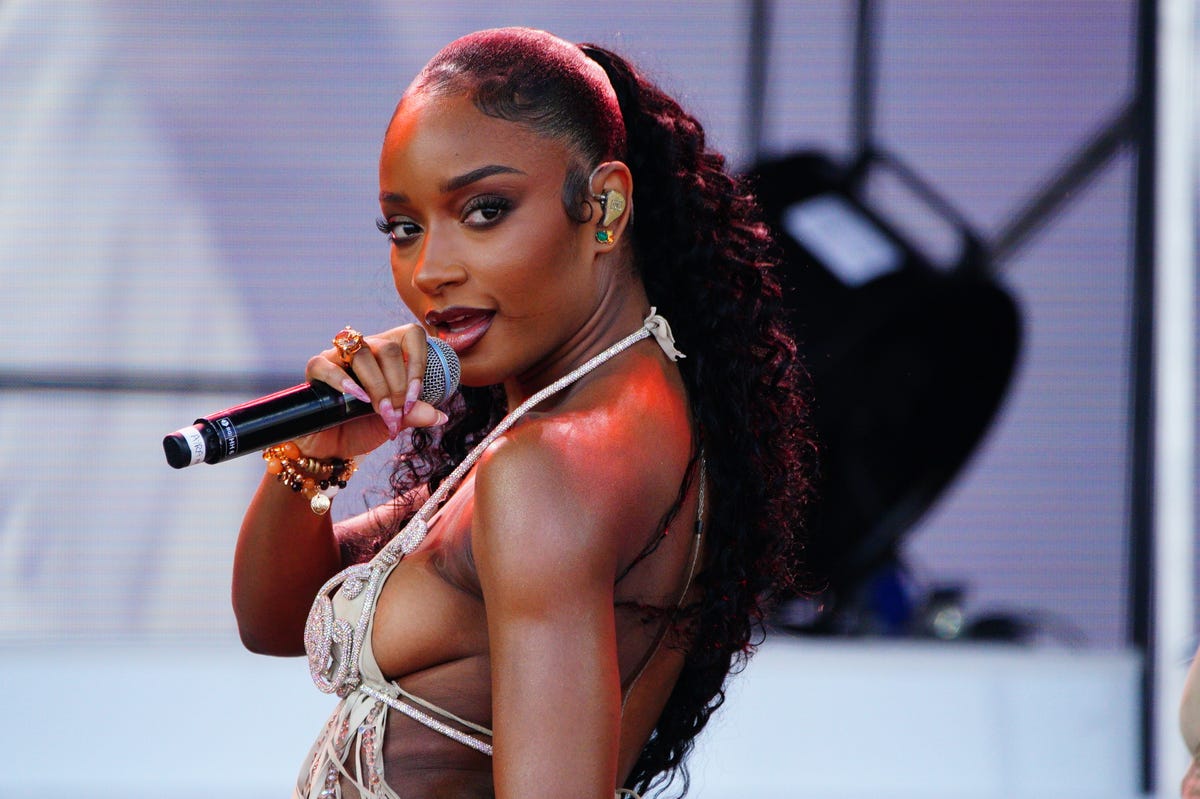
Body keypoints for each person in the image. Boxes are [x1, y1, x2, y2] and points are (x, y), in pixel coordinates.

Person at [232, 27, 812, 798]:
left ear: (604, 207)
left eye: (485, 210)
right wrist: (319, 453)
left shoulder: (546, 468)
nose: (430, 270)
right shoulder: (588, 427)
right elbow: (274, 620)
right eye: (405, 228)